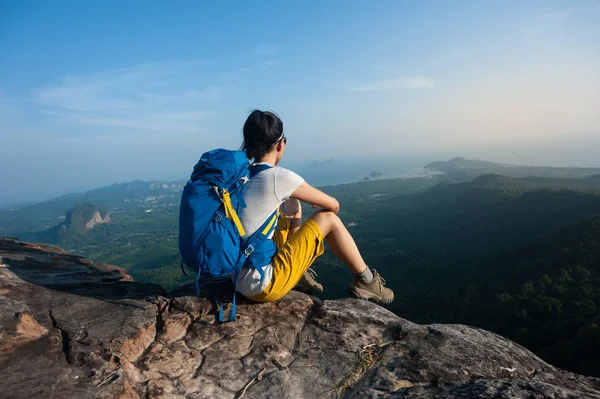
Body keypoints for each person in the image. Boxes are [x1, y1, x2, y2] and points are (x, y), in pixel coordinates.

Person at [236, 110, 394, 304]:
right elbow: (334, 206)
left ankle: (298, 273)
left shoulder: (240, 177)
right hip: (262, 285)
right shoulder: (278, 176)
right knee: (328, 219)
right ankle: (366, 280)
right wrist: (318, 202)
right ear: (280, 144)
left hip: (236, 275)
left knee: (292, 205)